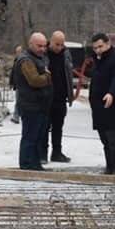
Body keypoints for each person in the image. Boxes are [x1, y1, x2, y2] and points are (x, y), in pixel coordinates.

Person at [89, 32, 115, 174]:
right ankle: (109, 166)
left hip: (113, 105)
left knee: (113, 138)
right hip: (98, 106)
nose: (98, 50)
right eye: (95, 48)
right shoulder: (97, 60)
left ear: (108, 44)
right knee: (105, 139)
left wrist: (112, 93)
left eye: (100, 46)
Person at [12, 33, 52, 170]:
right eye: (39, 46)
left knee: (36, 137)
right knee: (29, 137)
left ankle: (34, 164)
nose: (42, 49)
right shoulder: (26, 60)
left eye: (44, 46)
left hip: (39, 105)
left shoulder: (39, 58)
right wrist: (47, 76)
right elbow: (34, 80)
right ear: (31, 44)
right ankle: (26, 164)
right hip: (30, 105)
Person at [40, 30, 75, 163]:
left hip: (61, 97)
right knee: (44, 126)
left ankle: (57, 152)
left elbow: (69, 75)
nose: (59, 47)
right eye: (57, 44)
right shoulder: (44, 53)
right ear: (51, 41)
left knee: (58, 127)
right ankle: (42, 153)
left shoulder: (66, 54)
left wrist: (70, 94)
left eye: (62, 44)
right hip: (46, 96)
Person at [8, 45, 24, 124]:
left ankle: (16, 117)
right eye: (16, 52)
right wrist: (11, 83)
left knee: (19, 101)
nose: (17, 53)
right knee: (19, 101)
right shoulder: (17, 60)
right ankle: (17, 116)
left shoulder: (23, 61)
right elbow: (13, 73)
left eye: (18, 52)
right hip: (18, 84)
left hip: (21, 85)